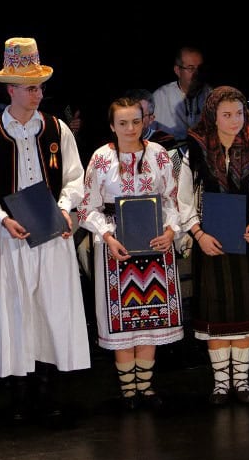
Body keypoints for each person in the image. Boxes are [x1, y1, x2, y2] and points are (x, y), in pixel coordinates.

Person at [0, 37, 91, 422]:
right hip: (10, 237)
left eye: (40, 86)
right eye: (31, 87)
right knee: (14, 309)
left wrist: (65, 209)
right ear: (11, 90)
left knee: (49, 307)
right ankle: (17, 391)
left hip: (51, 232)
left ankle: (46, 386)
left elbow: (74, 178)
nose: (38, 93)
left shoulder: (56, 130)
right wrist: (3, 217)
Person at [78, 97, 183, 409]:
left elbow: (173, 199)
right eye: (122, 123)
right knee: (123, 321)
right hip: (118, 247)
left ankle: (146, 388)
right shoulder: (101, 159)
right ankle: (128, 390)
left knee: (149, 319)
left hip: (154, 244)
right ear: (112, 126)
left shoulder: (159, 156)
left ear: (144, 122)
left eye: (135, 122)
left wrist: (170, 231)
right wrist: (107, 237)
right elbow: (87, 206)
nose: (130, 128)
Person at [179, 87, 249, 405]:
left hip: (246, 238)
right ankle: (220, 383)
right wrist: (198, 234)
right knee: (216, 309)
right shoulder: (196, 149)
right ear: (213, 116)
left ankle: (242, 381)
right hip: (211, 240)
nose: (234, 121)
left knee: (244, 306)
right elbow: (184, 197)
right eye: (226, 115)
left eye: (239, 114)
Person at [152, 46, 211, 141]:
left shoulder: (212, 95)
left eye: (200, 68)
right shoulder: (160, 97)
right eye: (191, 68)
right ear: (177, 71)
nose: (197, 74)